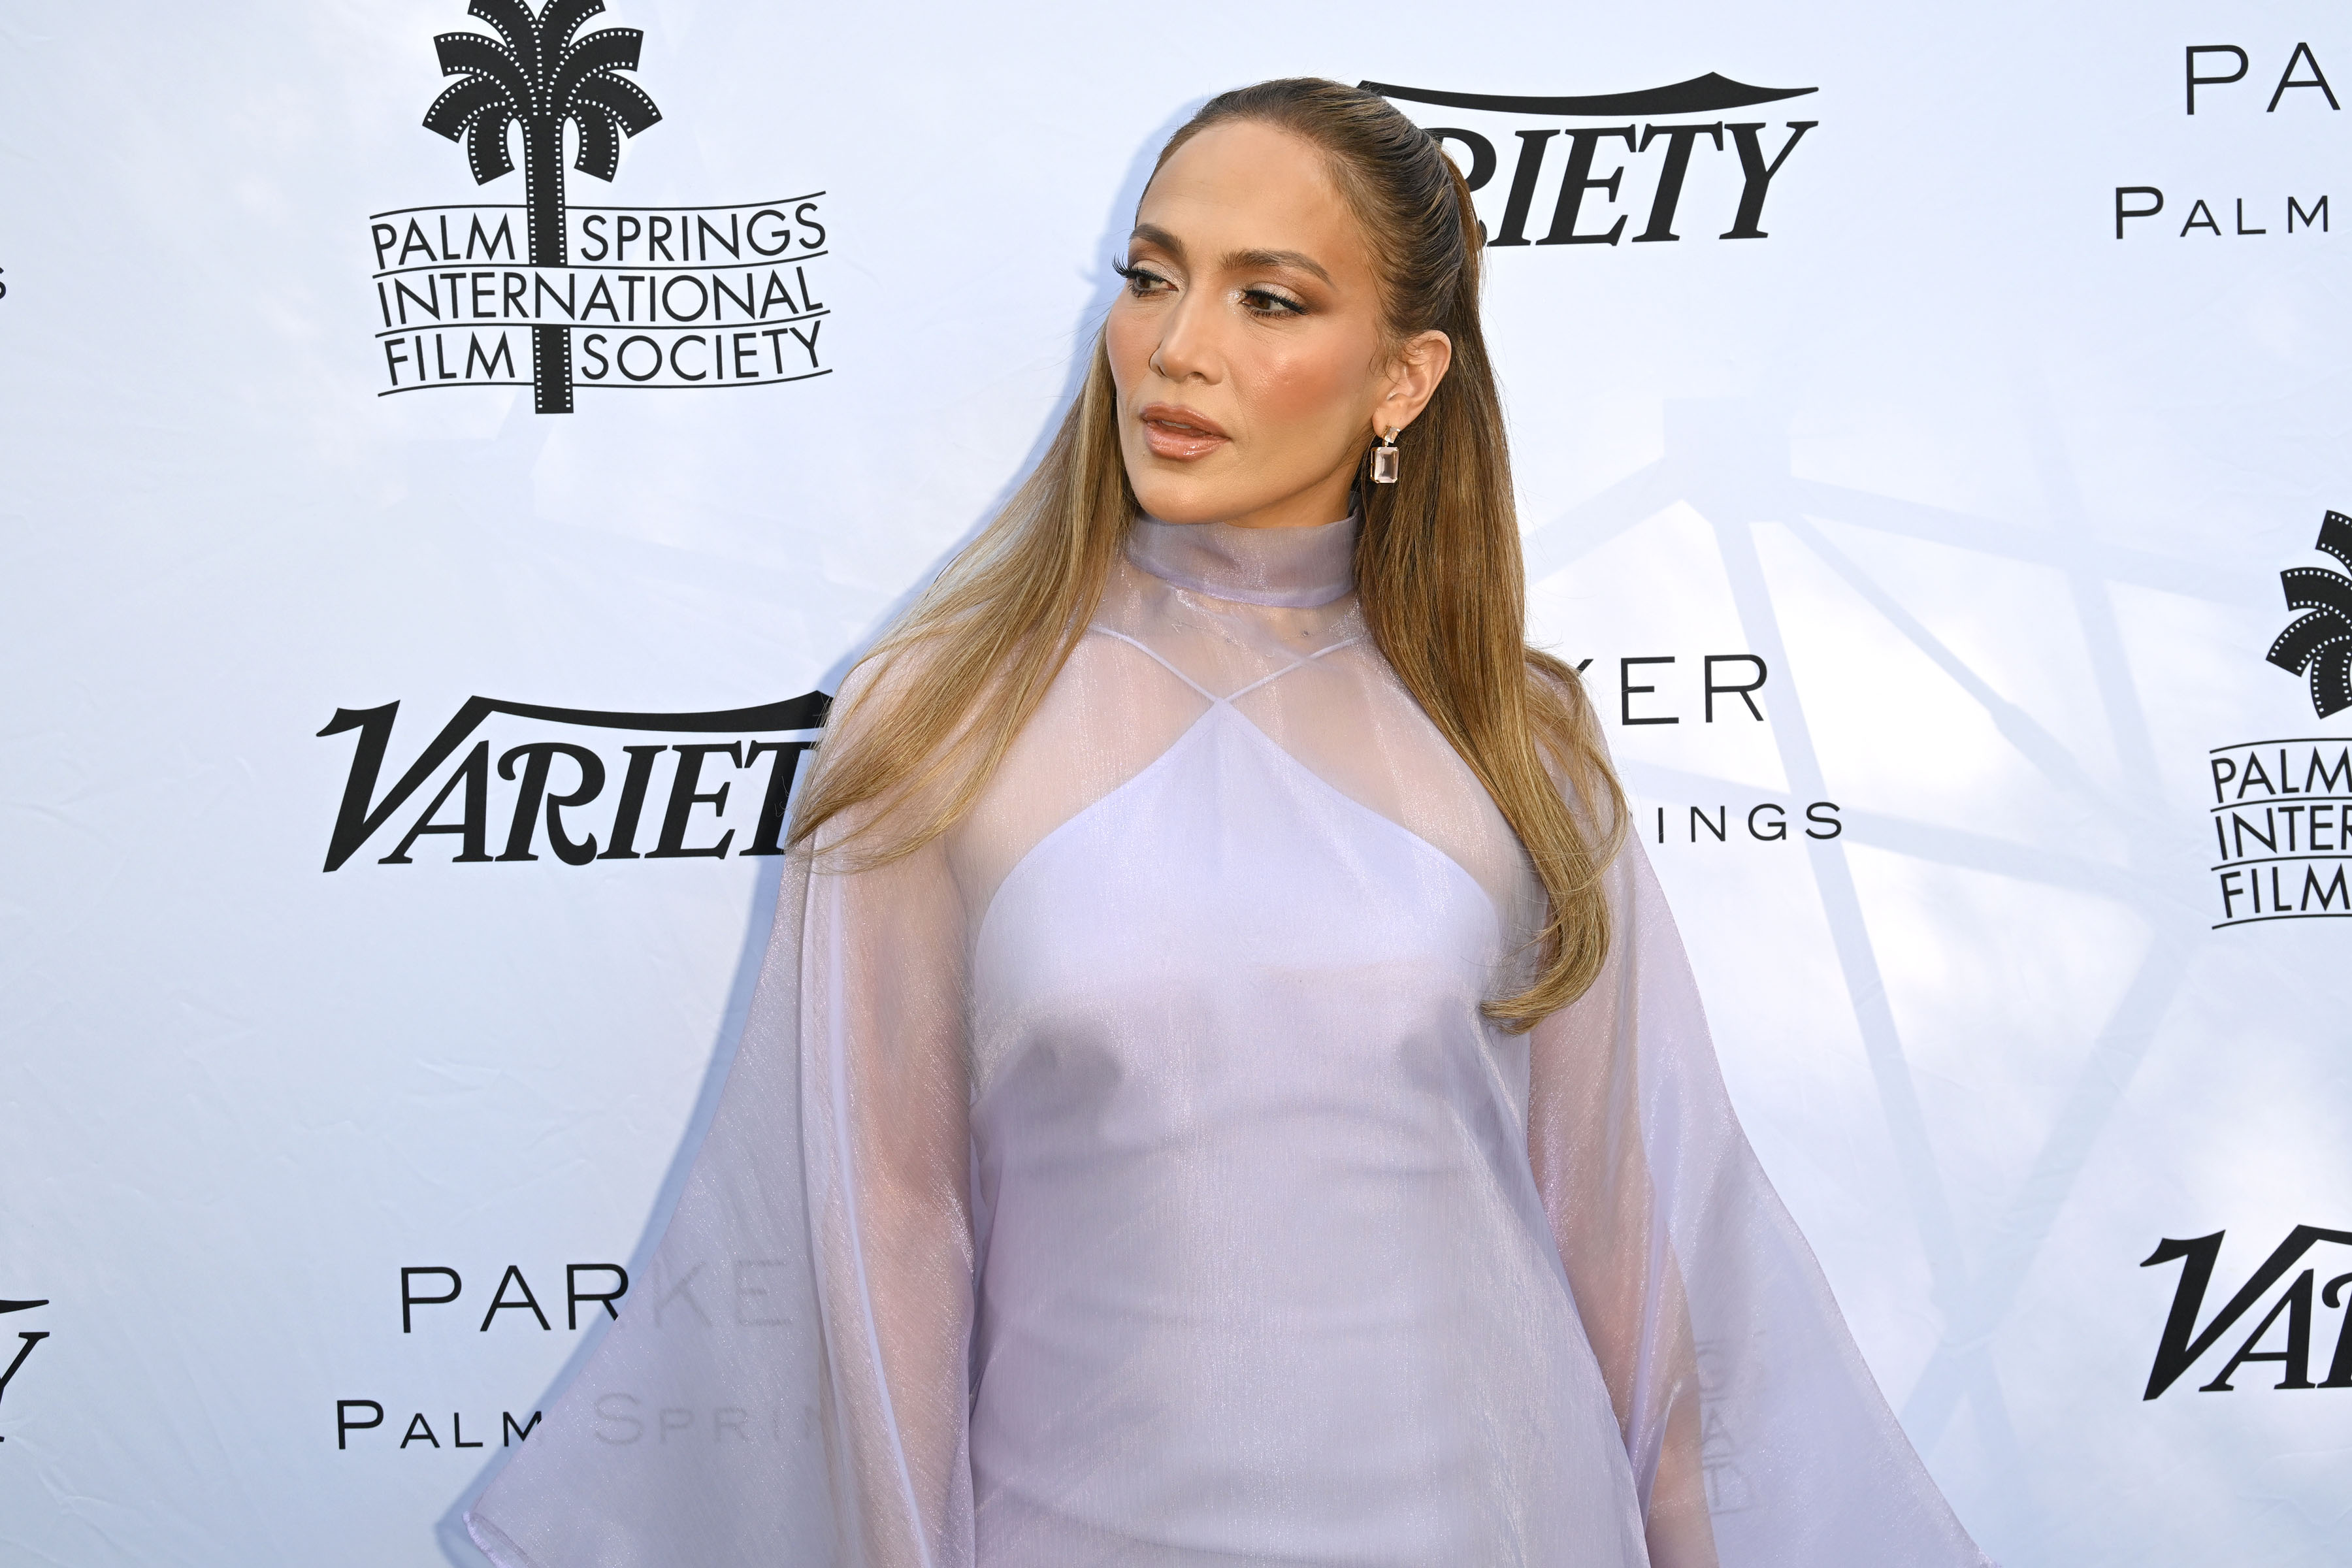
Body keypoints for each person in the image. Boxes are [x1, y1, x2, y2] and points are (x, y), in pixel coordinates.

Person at [466, 78, 1987, 1568]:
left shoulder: (1520, 742)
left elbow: (1643, 1257)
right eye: (1151, 279)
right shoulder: (935, 718)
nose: (1176, 350)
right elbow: (881, 1237)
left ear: (1402, 379)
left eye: (1269, 301)